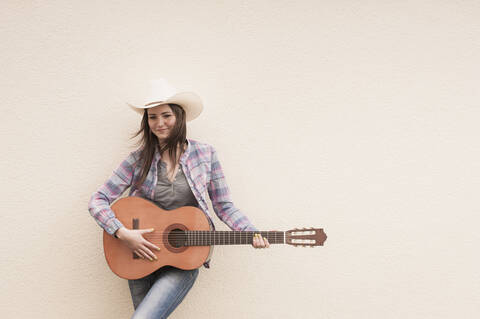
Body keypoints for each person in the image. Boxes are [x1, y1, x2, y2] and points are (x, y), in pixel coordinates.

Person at [88, 78, 270, 318]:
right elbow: (97, 200)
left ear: (179, 117)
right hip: (137, 257)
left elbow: (223, 205)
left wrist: (250, 231)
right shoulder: (137, 159)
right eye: (152, 117)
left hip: (185, 257)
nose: (159, 123)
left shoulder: (205, 154)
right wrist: (123, 233)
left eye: (166, 116)